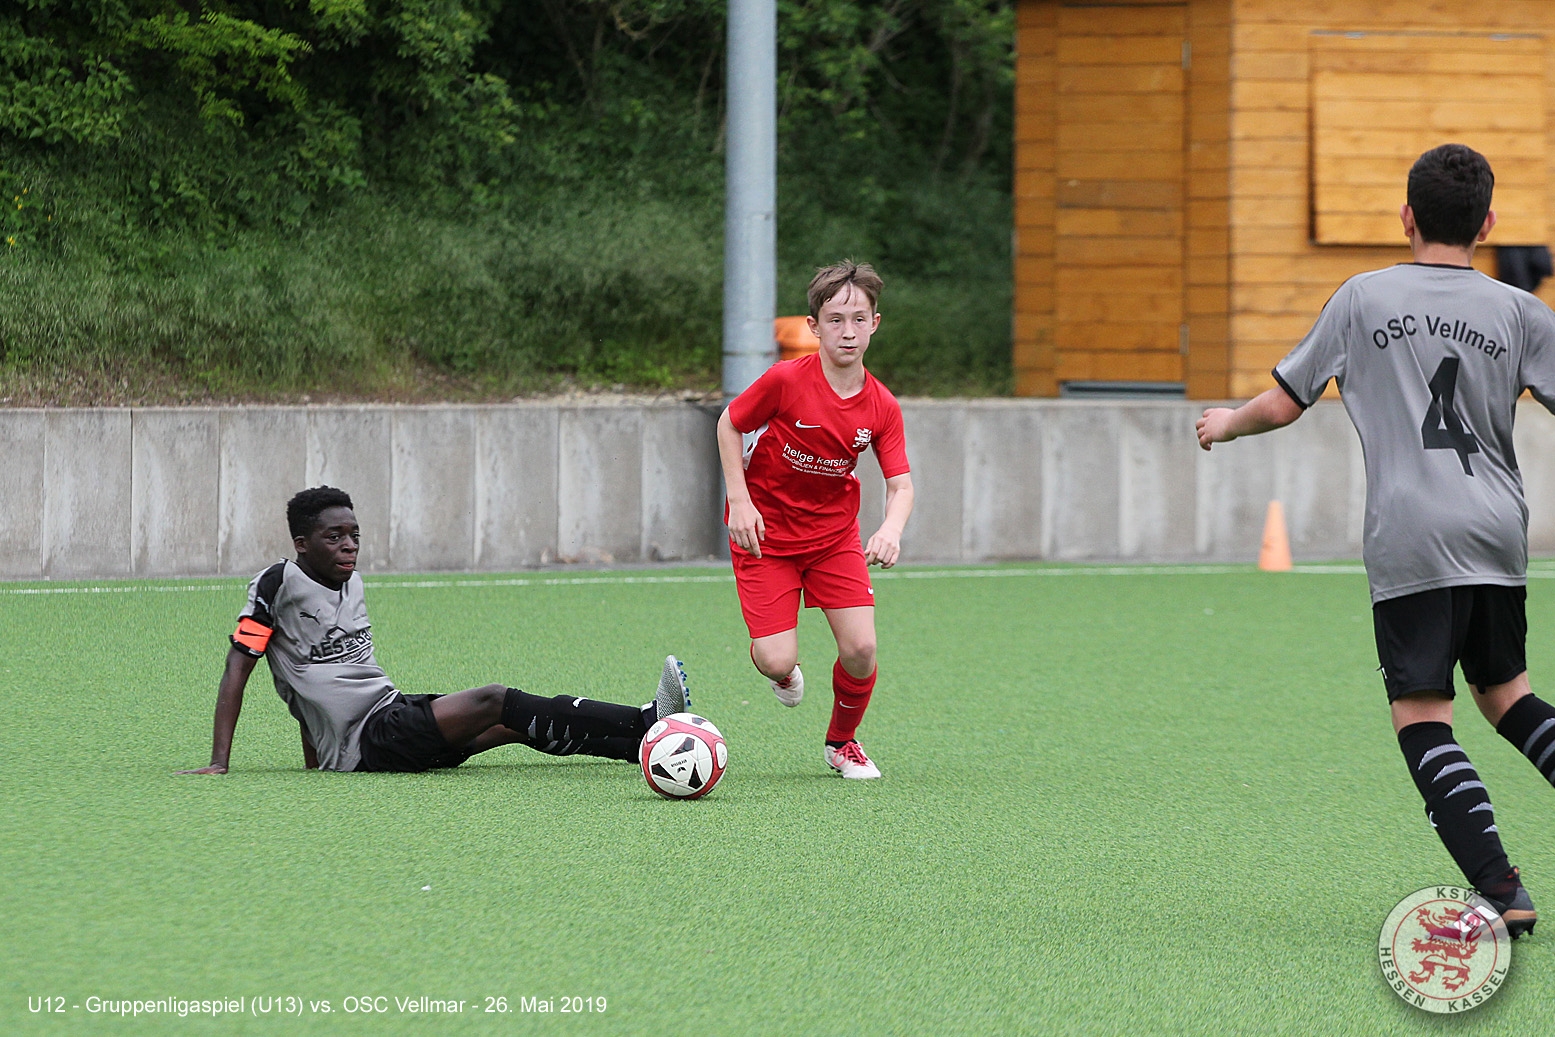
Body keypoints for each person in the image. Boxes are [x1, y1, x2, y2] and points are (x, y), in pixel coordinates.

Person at [1196, 144, 1555, 936]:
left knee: (1422, 712)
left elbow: (1284, 401)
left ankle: (1502, 890)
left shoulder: (1362, 298)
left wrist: (1225, 424)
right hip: (1498, 529)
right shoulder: (1519, 311)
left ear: (1405, 217)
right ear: (1486, 225)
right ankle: (1501, 886)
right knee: (1506, 695)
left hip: (1411, 532)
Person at [178, 486, 691, 774]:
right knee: (494, 699)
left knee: (511, 726)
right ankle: (646, 717)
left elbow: (315, 682)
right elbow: (239, 668)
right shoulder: (277, 583)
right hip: (374, 740)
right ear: (302, 544)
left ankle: (640, 746)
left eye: (354, 535)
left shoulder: (352, 582)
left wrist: (317, 758)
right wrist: (220, 762)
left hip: (391, 714)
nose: (349, 546)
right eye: (333, 537)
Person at [716, 261, 914, 779]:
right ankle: (781, 673)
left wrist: (890, 529)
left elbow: (901, 485)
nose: (847, 332)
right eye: (835, 320)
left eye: (859, 319)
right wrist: (740, 500)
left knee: (862, 648)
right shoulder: (786, 381)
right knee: (777, 659)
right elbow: (729, 424)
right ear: (814, 326)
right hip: (764, 537)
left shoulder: (882, 405)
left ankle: (842, 743)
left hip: (833, 540)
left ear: (875, 324)